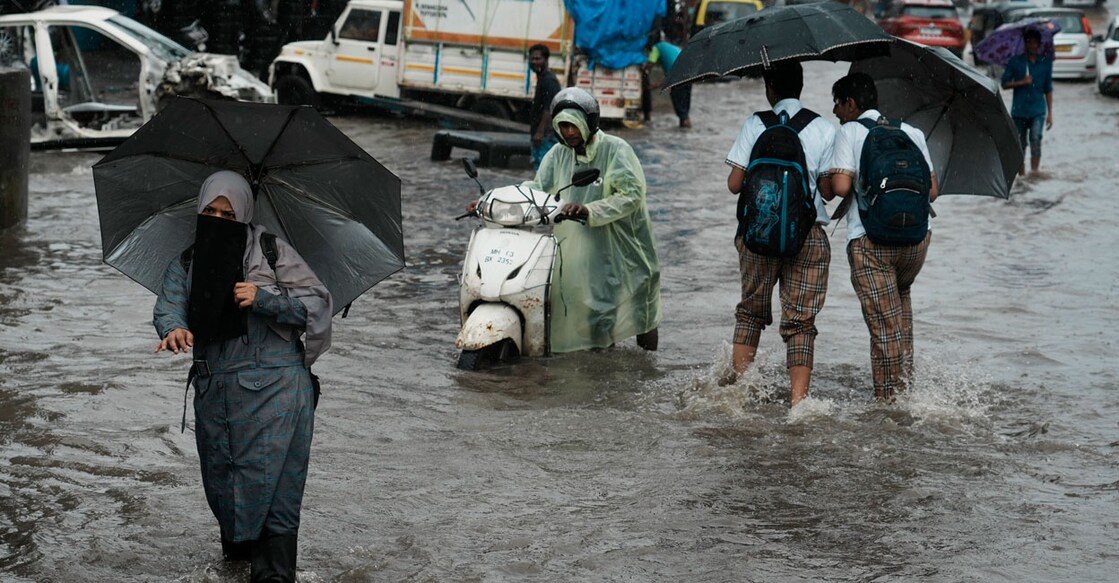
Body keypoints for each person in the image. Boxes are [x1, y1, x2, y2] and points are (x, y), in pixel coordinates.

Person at [153, 171, 332, 582]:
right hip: (218, 395)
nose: (218, 219)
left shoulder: (272, 251)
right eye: (210, 211)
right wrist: (173, 329)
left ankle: (273, 575)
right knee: (226, 483)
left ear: (246, 214)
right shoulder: (188, 259)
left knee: (278, 493)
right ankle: (234, 565)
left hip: (279, 392)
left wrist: (265, 299)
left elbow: (317, 303)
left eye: (228, 213)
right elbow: (169, 305)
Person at [723, 62, 835, 406]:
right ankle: (799, 404)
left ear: (769, 87)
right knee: (800, 321)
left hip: (759, 232)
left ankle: (741, 393)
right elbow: (829, 192)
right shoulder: (823, 127)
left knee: (751, 313)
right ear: (801, 86)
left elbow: (735, 185)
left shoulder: (755, 123)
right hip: (809, 236)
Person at [826, 72, 939, 402]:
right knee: (900, 311)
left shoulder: (849, 132)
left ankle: (888, 405)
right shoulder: (911, 132)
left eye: (837, 103)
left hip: (871, 241)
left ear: (851, 103)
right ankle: (907, 390)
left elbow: (842, 188)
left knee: (883, 326)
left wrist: (836, 176)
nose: (834, 111)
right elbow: (931, 191)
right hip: (916, 242)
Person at [527, 87, 662, 352]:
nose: (569, 133)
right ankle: (601, 368)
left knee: (641, 310)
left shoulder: (616, 150)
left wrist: (590, 210)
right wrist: (494, 200)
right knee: (594, 310)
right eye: (563, 126)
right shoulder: (557, 154)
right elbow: (536, 189)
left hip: (625, 247)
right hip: (581, 246)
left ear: (589, 122)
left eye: (573, 126)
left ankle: (648, 368)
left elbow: (631, 195)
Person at [1001, 28, 1053, 176]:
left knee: (1036, 139)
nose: (1031, 45)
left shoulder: (1045, 63)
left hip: (1038, 110)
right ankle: (1022, 176)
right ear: (1025, 44)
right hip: (1019, 111)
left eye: (1034, 42)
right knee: (1020, 145)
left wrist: (1050, 113)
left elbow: (1048, 89)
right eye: (1028, 42)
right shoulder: (1016, 62)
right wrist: (1021, 82)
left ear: (1039, 44)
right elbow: (1004, 84)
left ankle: (1034, 173)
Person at [645, 38, 693, 128]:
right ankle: (686, 125)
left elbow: (650, 64)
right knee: (685, 102)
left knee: (678, 100)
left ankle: (685, 124)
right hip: (689, 73)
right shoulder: (670, 47)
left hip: (678, 76)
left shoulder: (656, 48)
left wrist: (645, 72)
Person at [528, 43, 562, 169]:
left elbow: (549, 108)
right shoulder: (542, 78)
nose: (534, 62)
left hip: (546, 136)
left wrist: (540, 132)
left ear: (546, 60)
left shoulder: (549, 81)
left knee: (544, 170)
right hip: (543, 135)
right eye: (532, 59)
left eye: (538, 59)